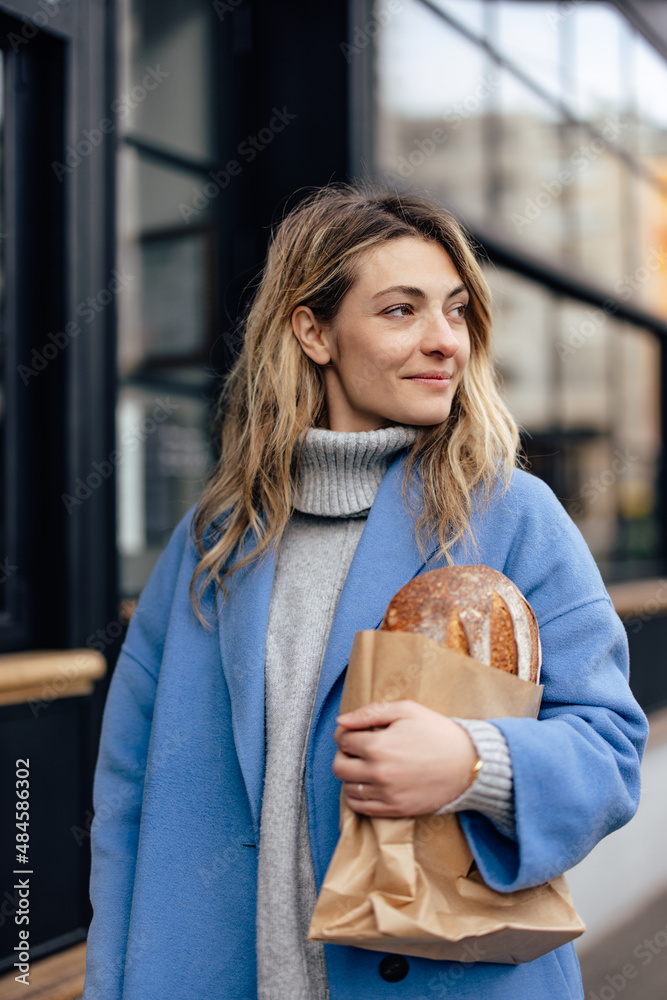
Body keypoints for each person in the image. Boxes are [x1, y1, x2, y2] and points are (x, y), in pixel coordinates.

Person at [82, 181, 648, 1000]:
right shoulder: (214, 542)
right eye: (399, 311)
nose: (443, 340)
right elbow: (127, 794)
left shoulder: (510, 513)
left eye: (455, 310)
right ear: (313, 331)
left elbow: (609, 748)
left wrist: (471, 762)